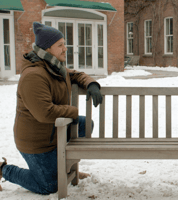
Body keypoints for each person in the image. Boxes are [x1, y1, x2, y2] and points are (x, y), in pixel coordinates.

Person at [0, 22, 102, 195]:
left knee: (85, 125)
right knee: (49, 186)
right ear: (47, 48)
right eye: (60, 45)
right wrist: (74, 112)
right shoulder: (34, 75)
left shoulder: (53, 67)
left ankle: (67, 168)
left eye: (65, 44)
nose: (65, 49)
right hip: (37, 142)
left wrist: (91, 84)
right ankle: (4, 170)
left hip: (54, 132)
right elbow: (45, 112)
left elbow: (75, 74)